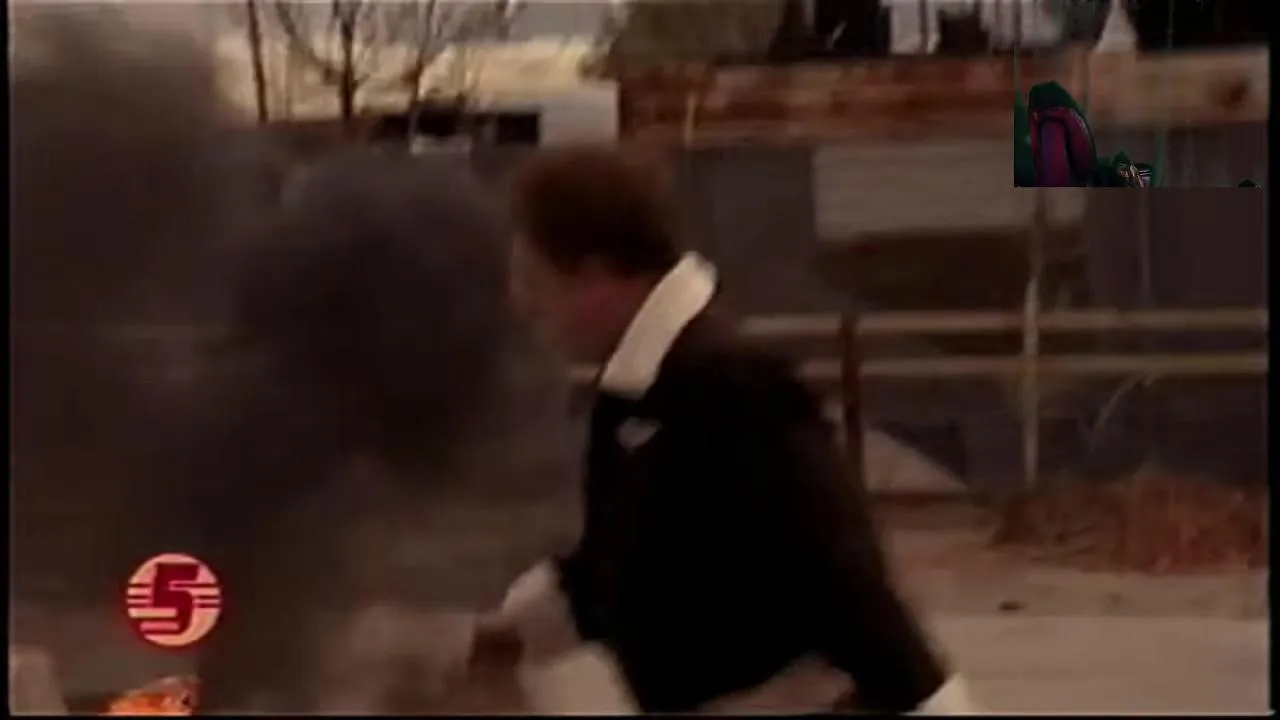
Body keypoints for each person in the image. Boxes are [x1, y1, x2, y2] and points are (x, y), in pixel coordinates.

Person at [471, 145, 979, 714]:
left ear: (595, 278)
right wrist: (502, 637)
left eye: (536, 284)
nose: (523, 305)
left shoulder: (731, 385)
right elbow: (610, 568)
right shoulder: (636, 395)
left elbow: (842, 573)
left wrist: (929, 703)